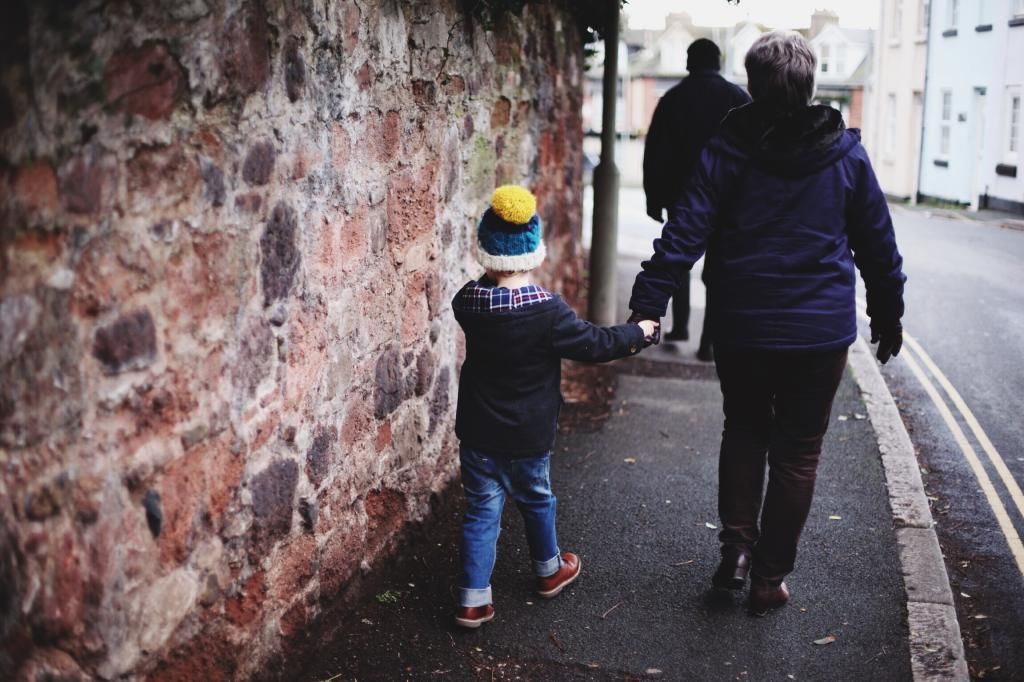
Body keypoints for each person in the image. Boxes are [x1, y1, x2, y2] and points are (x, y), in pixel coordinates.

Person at [628, 32, 906, 615]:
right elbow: (878, 245)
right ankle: (769, 578)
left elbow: (686, 231)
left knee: (746, 430)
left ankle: (736, 553)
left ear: (752, 85)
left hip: (742, 324)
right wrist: (887, 312)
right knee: (798, 453)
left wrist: (650, 301)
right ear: (809, 85)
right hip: (818, 333)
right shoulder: (845, 154)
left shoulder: (727, 148)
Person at [451, 185, 658, 628]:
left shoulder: (467, 302)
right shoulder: (548, 313)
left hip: (479, 435)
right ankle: (548, 570)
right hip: (528, 436)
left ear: (485, 251)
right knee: (537, 500)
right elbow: (597, 344)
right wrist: (637, 332)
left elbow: (485, 293)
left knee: (480, 512)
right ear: (535, 253)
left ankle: (472, 600)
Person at [643, 38, 751, 359]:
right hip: (728, 200)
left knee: (677, 261)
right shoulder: (738, 98)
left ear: (689, 62)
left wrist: (653, 198)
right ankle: (708, 343)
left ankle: (680, 326)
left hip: (681, 195)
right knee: (717, 271)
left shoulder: (673, 99)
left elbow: (655, 153)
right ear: (718, 63)